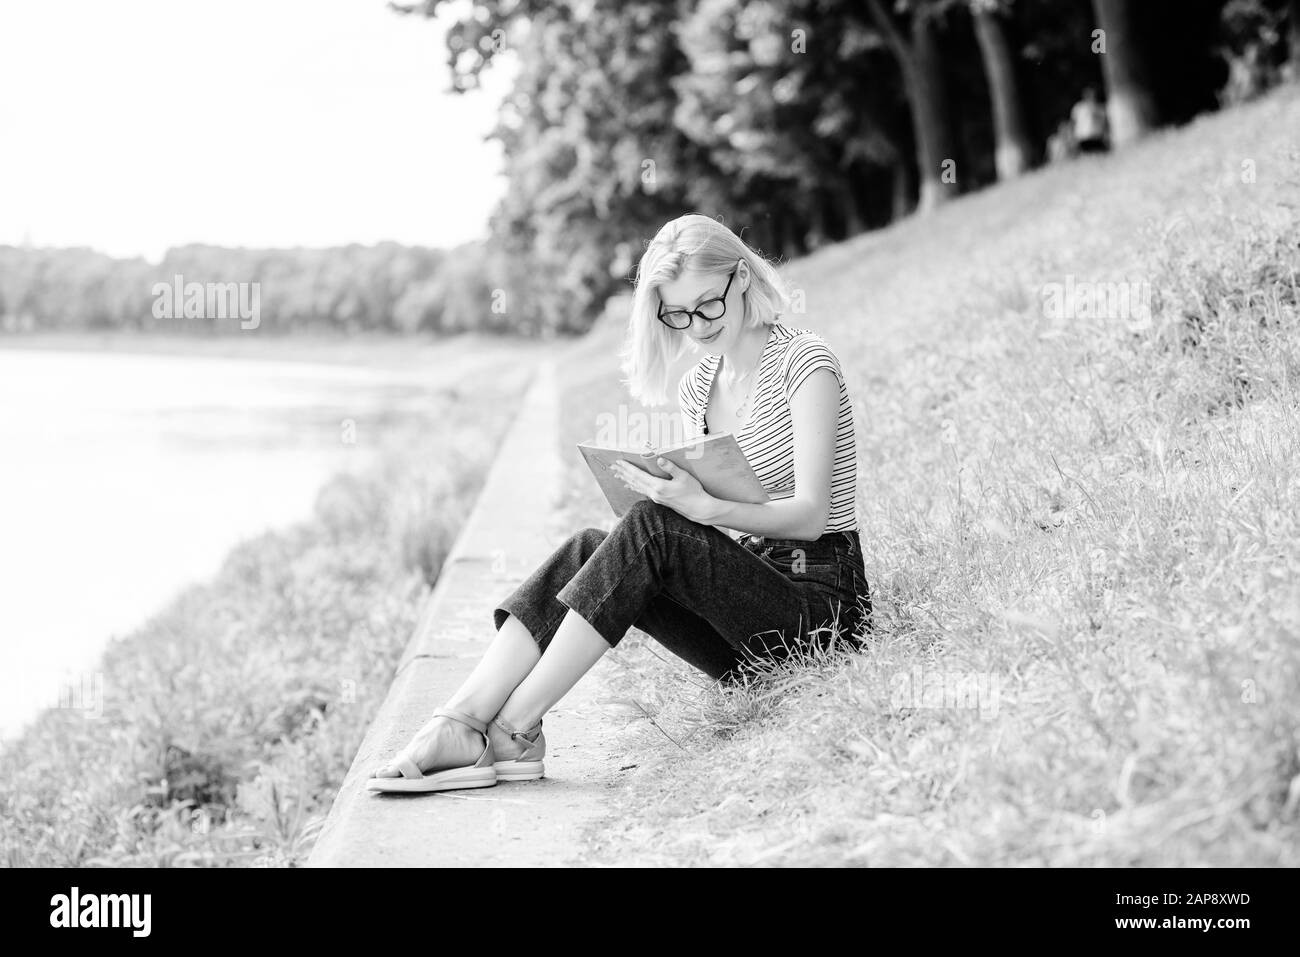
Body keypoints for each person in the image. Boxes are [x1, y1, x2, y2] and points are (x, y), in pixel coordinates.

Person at [368, 213, 871, 793]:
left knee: (653, 529)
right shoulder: (698, 386)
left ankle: (510, 726)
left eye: (708, 305)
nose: (696, 325)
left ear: (742, 278)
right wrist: (668, 492)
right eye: (677, 315)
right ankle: (459, 719)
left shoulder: (805, 364)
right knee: (591, 544)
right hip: (748, 627)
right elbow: (714, 527)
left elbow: (810, 515)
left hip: (819, 612)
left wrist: (700, 511)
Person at [1070, 86, 1109, 154]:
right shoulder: (1078, 107)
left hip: (1097, 136)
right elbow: (1073, 123)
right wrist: (1073, 137)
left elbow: (1104, 123)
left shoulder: (1100, 107)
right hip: (1083, 137)